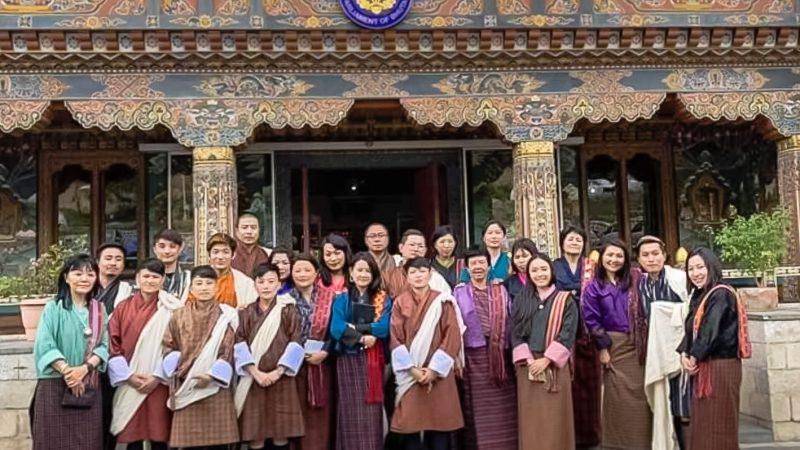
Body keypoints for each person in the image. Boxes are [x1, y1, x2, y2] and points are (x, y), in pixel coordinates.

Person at [31, 254, 109, 450]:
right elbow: (45, 344)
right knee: (51, 441)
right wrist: (68, 372)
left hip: (88, 384)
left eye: (90, 274)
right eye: (77, 273)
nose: (84, 279)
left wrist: (83, 370)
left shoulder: (99, 310)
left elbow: (105, 346)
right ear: (66, 277)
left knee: (88, 442)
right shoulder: (53, 308)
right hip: (55, 385)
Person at [159, 265, 240, 449]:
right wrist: (179, 370)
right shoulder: (178, 315)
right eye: (199, 283)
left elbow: (228, 348)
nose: (204, 287)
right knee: (188, 444)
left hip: (216, 385)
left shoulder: (226, 315)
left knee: (217, 444)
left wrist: (212, 376)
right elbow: (168, 346)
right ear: (191, 288)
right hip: (187, 383)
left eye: (209, 283)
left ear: (217, 287)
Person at [678, 247, 751, 450]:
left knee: (719, 425)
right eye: (690, 268)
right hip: (704, 366)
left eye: (700, 267)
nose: (695, 273)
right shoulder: (701, 294)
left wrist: (693, 357)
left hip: (720, 368)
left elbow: (709, 332)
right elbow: (691, 329)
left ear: (712, 266)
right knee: (703, 425)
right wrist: (684, 353)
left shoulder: (720, 294)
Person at [582, 239, 652, 449]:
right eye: (609, 255)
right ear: (601, 258)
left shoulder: (636, 279)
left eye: (619, 256)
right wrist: (603, 348)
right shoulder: (594, 287)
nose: (614, 260)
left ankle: (642, 442)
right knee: (616, 397)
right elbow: (592, 320)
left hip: (638, 344)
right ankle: (616, 443)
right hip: (614, 346)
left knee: (641, 397)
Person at [108, 259, 184, 450]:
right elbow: (111, 341)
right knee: (132, 432)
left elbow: (179, 344)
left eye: (155, 277)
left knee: (159, 432)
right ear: (137, 278)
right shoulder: (122, 307)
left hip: (158, 380)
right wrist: (128, 376)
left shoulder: (172, 308)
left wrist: (158, 376)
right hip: (130, 378)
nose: (150, 281)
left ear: (163, 280)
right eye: (146, 276)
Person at [390, 257, 464, 450]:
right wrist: (411, 369)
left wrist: (434, 370)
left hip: (438, 372)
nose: (418, 275)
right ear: (406, 276)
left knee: (439, 427)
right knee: (410, 426)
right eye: (413, 272)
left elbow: (452, 335)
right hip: (411, 372)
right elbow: (395, 337)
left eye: (422, 271)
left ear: (430, 274)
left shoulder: (443, 300)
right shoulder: (400, 302)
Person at [234, 263, 305, 450]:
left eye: (271, 281)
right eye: (261, 281)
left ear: (279, 284)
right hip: (253, 379)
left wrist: (278, 372)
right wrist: (255, 372)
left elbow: (296, 341)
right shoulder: (246, 312)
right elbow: (239, 343)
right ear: (255, 285)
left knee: (280, 434)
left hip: (281, 378)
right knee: (255, 434)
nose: (266, 286)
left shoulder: (288, 309)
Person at [511, 253, 578, 450]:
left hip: (555, 366)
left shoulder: (565, 300)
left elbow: (568, 332)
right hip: (528, 366)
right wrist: (529, 360)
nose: (539, 274)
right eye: (534, 270)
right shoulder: (521, 300)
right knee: (532, 420)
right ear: (529, 274)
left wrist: (547, 359)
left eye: (543, 269)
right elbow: (514, 332)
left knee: (556, 418)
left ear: (551, 271)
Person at [453, 249, 517, 450]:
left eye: (482, 263)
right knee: (477, 408)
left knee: (504, 406)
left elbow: (512, 318)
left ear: (488, 266)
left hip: (499, 356)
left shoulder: (500, 290)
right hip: (473, 357)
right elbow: (454, 325)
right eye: (474, 263)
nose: (478, 267)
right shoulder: (458, 292)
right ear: (467, 268)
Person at [330, 252, 393, 450]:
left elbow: (384, 327)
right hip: (348, 360)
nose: (364, 274)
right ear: (351, 272)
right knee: (348, 411)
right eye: (359, 270)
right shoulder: (342, 298)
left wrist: (356, 328)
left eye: (368, 270)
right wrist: (362, 337)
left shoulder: (383, 298)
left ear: (374, 274)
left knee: (371, 412)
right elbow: (336, 328)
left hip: (372, 361)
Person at [635, 235, 690, 450]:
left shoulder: (679, 278)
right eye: (645, 255)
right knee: (664, 402)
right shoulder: (641, 284)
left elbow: (692, 309)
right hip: (657, 351)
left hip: (682, 350)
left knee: (683, 405)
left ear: (664, 255)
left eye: (655, 254)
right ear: (639, 260)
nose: (651, 259)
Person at [552, 226, 601, 448]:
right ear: (562, 243)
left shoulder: (591, 268)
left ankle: (590, 438)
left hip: (588, 335)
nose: (574, 243)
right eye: (570, 239)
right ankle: (566, 437)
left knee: (589, 387)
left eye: (579, 239)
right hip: (562, 333)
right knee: (566, 387)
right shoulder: (553, 267)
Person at [290, 249, 337, 450]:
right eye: (297, 270)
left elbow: (337, 330)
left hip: (322, 363)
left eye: (307, 270)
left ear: (317, 272)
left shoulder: (331, 297)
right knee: (295, 412)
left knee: (321, 416)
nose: (302, 274)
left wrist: (325, 352)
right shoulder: (285, 299)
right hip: (294, 366)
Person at [383, 229, 452, 298]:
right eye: (412, 245)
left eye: (420, 246)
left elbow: (446, 300)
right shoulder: (389, 275)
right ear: (401, 248)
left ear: (425, 251)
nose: (416, 249)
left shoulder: (435, 277)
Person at [207, 232, 258, 309]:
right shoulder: (198, 279)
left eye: (226, 252)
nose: (220, 257)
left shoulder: (245, 283)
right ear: (209, 255)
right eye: (216, 252)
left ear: (233, 255)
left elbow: (252, 309)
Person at [152, 229, 191, 300]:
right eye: (162, 246)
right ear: (154, 249)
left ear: (180, 249)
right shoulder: (148, 277)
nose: (167, 251)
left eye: (172, 246)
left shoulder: (189, 278)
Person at [96, 242, 132, 314]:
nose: (113, 263)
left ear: (124, 264)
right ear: (97, 262)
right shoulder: (87, 287)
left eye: (118, 259)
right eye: (108, 259)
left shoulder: (129, 290)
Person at [232, 212, 272, 277]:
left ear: (259, 230)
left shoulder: (268, 254)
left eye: (253, 228)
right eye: (244, 227)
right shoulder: (229, 254)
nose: (249, 232)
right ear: (237, 231)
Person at [503, 238, 538, 304]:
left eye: (525, 256)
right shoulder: (509, 283)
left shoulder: (544, 278)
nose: (521, 260)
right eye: (517, 257)